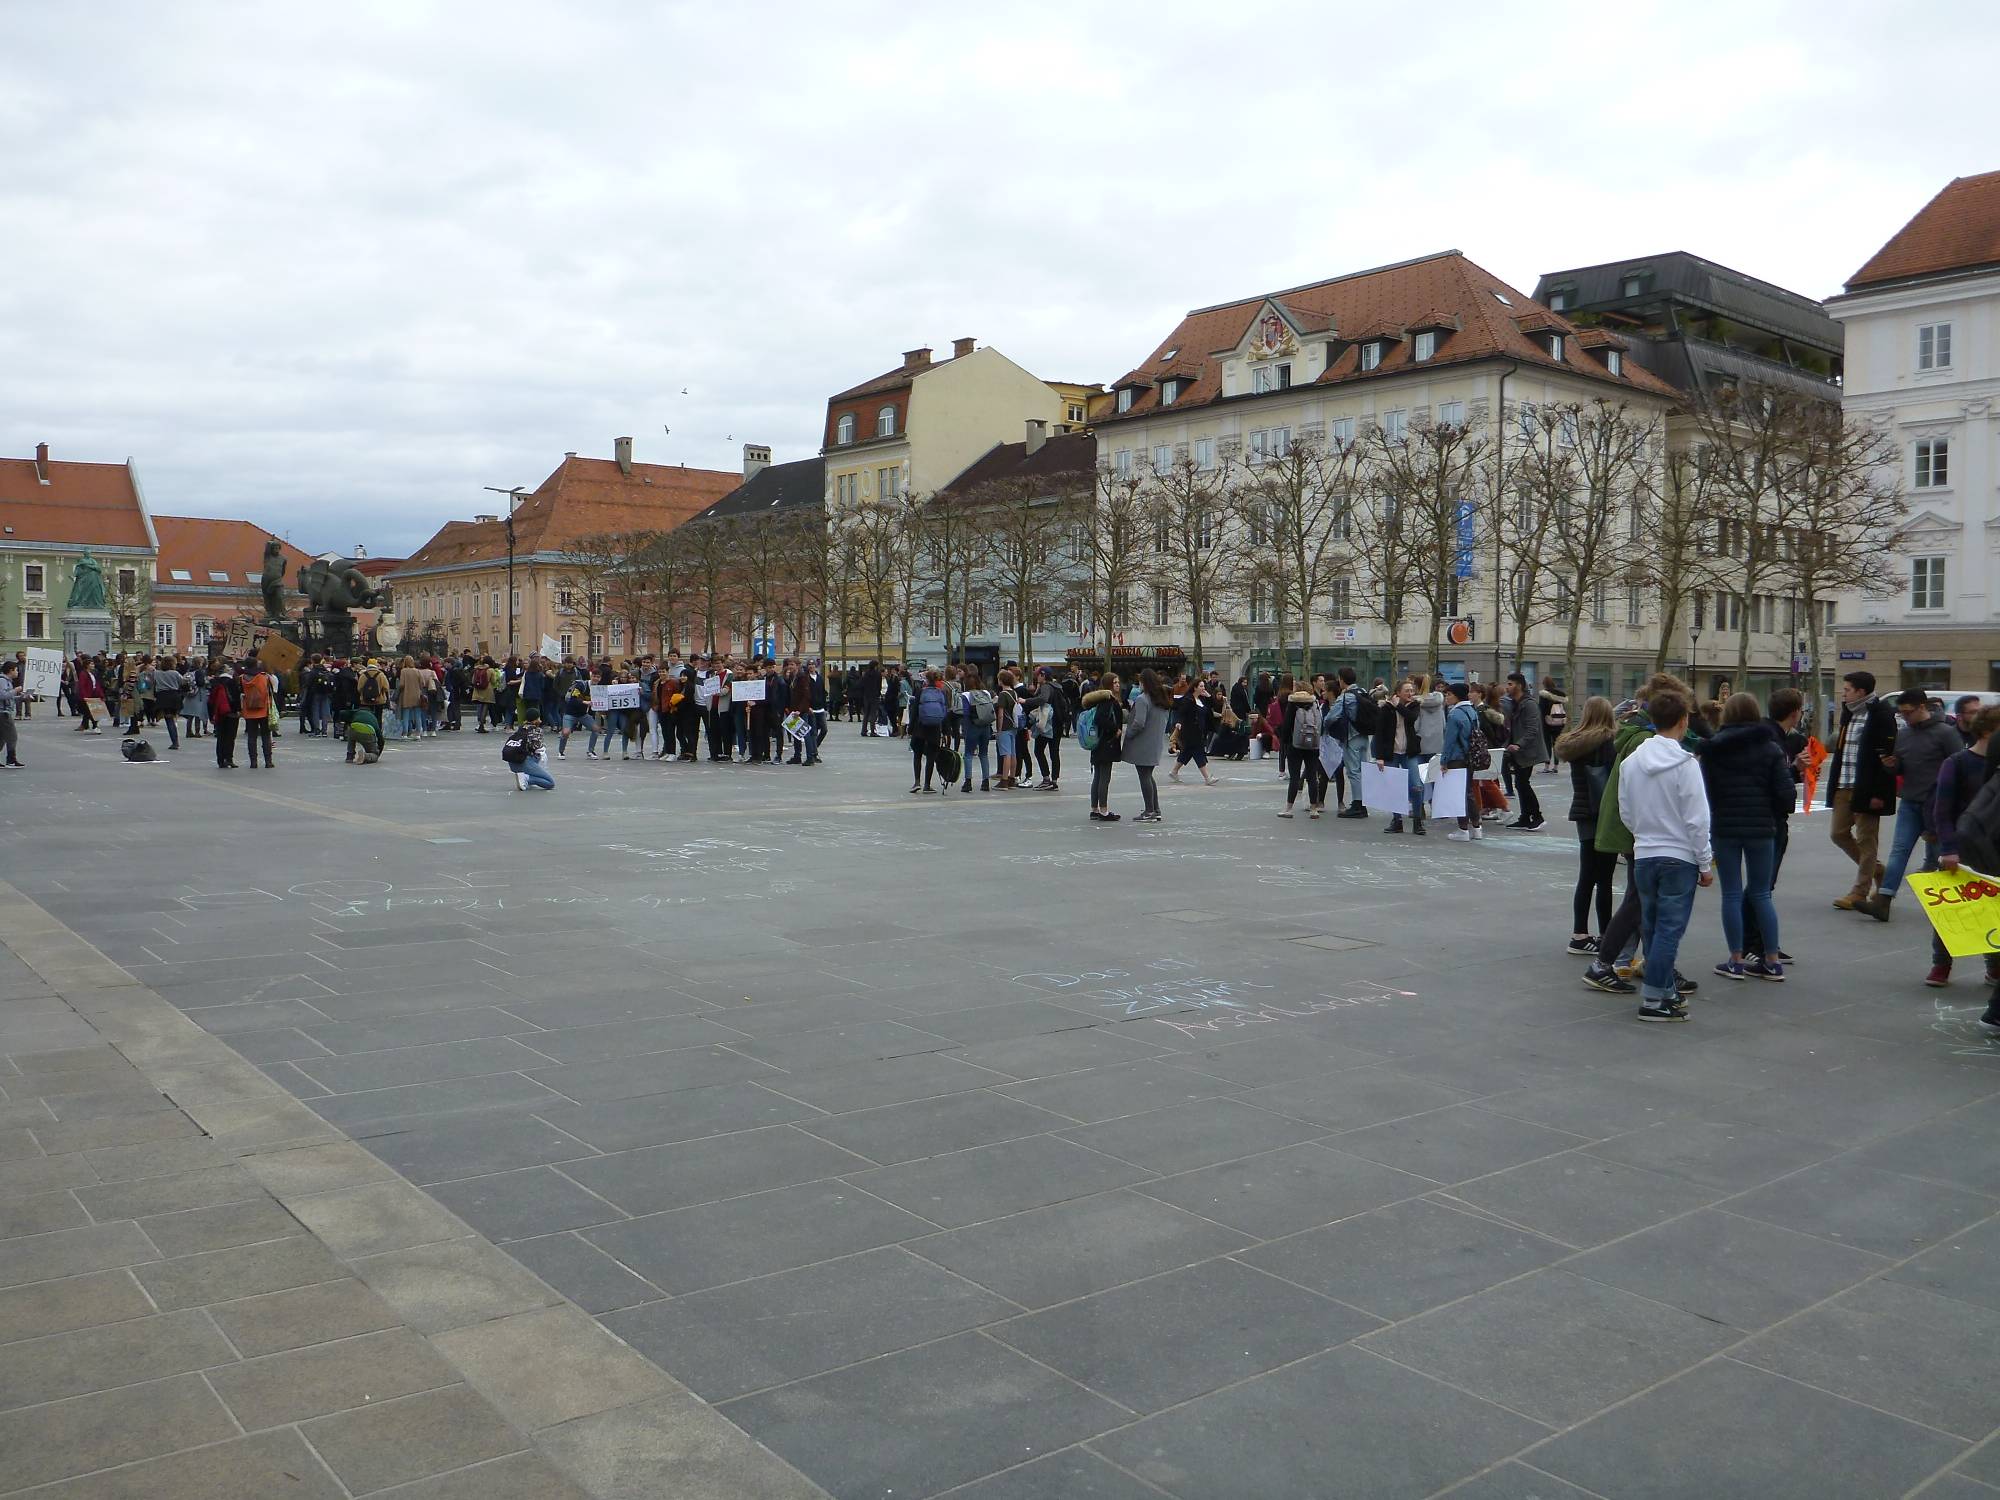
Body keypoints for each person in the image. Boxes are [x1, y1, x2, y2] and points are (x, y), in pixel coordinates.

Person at [1618, 690, 1714, 1021]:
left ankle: (1664, 993)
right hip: (1679, 856)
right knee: (1669, 931)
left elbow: (1625, 811)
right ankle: (1655, 998)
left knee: (1652, 926)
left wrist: (1642, 835)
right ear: (1684, 720)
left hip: (1644, 852)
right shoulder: (1686, 764)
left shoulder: (1632, 763)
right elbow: (1698, 819)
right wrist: (1704, 862)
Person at [1700, 692, 1795, 982]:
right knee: (1761, 893)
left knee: (1730, 893)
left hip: (1724, 827)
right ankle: (1771, 960)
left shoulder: (1713, 749)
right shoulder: (1770, 749)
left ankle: (1736, 960)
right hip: (1761, 827)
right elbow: (1787, 795)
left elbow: (1704, 793)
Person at [1859, 687, 1963, 922]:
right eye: (1902, 713)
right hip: (1911, 801)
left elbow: (1959, 766)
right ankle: (1883, 900)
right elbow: (1900, 768)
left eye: (1908, 712)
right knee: (1899, 850)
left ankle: (1951, 905)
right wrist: (1891, 765)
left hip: (1938, 805)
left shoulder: (1945, 733)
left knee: (1941, 857)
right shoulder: (1904, 734)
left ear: (1922, 707)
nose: (1905, 717)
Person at [1927, 705, 2000, 987]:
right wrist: (1947, 848)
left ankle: (1994, 965)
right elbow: (1942, 810)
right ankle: (1941, 964)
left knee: (1993, 910)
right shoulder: (1957, 763)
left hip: (1993, 848)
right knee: (1952, 908)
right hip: (1961, 845)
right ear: (1986, 731)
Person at [1741, 688, 1806, 969]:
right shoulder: (1773, 740)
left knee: (1760, 885)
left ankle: (1760, 943)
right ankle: (1753, 944)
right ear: (1795, 713)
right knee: (1761, 886)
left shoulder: (1768, 736)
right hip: (1769, 820)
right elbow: (1778, 788)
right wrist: (1793, 773)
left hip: (1758, 817)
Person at [1827, 670, 1897, 911]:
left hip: (1866, 789)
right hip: (1843, 785)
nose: (1843, 694)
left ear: (1861, 691)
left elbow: (1885, 758)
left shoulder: (1882, 715)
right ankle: (1878, 870)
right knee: (1838, 834)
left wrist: (1879, 793)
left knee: (1867, 842)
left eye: (1847, 689)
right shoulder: (1848, 713)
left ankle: (1859, 892)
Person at [1554, 696, 1620, 945]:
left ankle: (1579, 933)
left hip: (1584, 813)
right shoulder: (1609, 743)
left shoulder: (1575, 744)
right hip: (1605, 815)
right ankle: (1606, 934)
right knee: (1605, 879)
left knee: (1586, 877)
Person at [1371, 678, 1426, 835]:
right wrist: (1379, 756)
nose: (1410, 693)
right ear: (1398, 692)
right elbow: (1379, 732)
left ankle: (1417, 821)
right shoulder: (1386, 708)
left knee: (1416, 786)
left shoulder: (1414, 706)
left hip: (1409, 752)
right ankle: (1397, 820)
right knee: (1394, 787)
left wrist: (1399, 705)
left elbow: (1410, 718)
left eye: (1412, 690)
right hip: (1391, 753)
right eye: (1407, 690)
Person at [1439, 680, 1485, 842]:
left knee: (1458, 794)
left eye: (1449, 694)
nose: (1446, 697)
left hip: (1457, 758)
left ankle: (1463, 829)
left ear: (1457, 696)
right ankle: (1476, 827)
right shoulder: (1472, 711)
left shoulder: (1454, 714)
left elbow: (1449, 741)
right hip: (1471, 756)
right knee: (1469, 793)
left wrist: (1444, 761)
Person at [1124, 668, 1170, 823]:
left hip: (1143, 743)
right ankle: (1155, 809)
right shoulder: (1161, 699)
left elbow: (1139, 722)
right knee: (1149, 776)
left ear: (1144, 682)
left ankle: (1149, 810)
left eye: (1140, 682)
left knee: (1144, 776)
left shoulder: (1143, 699)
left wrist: (1128, 734)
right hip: (1155, 742)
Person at [1504, 673, 1547, 829]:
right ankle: (1525, 817)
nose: (1507, 687)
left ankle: (1537, 816)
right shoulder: (1515, 703)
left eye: (1510, 684)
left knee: (1522, 783)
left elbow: (1532, 729)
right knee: (1520, 783)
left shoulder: (1529, 704)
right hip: (1518, 750)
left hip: (1527, 750)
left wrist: (1519, 745)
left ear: (1519, 686)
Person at [1278, 677, 1327, 817]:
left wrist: (1285, 742)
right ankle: (1313, 809)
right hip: (1313, 744)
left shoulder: (1293, 704)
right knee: (1312, 777)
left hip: (1295, 744)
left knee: (1294, 777)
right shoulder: (1315, 702)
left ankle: (1288, 809)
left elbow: (1287, 726)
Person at [1083, 672, 1126, 822]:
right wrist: (1115, 729)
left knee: (1098, 776)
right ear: (1108, 684)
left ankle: (1095, 809)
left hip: (1099, 743)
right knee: (1104, 778)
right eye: (1114, 682)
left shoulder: (1101, 700)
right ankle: (1103, 810)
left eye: (1118, 682)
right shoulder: (1108, 701)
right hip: (1107, 743)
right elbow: (1100, 718)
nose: (1117, 685)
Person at [1169, 674, 1218, 786]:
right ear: (1195, 687)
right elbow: (1181, 712)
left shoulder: (1202, 699)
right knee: (1198, 751)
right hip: (1190, 730)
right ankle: (1207, 777)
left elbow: (1213, 705)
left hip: (1200, 730)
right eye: (1201, 686)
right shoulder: (1188, 699)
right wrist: (1178, 723)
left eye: (1203, 686)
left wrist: (1209, 696)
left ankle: (1174, 771)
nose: (1203, 688)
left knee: (1188, 752)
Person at [910, 669, 948, 793]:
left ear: (926, 680)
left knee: (917, 754)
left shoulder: (920, 691)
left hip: (920, 727)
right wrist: (946, 730)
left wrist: (910, 727)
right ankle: (927, 784)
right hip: (935, 728)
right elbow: (944, 711)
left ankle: (916, 782)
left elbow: (914, 710)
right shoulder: (941, 692)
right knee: (931, 757)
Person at [959, 667, 994, 792]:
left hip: (972, 726)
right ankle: (985, 782)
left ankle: (968, 782)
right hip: (985, 727)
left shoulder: (966, 695)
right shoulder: (986, 693)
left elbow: (965, 712)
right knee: (983, 754)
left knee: (968, 754)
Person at [503, 709, 555, 791]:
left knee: (536, 757)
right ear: (535, 720)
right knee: (550, 783)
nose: (540, 721)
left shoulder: (521, 727)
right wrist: (543, 747)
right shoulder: (536, 730)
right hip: (524, 762)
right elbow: (536, 748)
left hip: (513, 762)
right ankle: (526, 778)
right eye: (538, 718)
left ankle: (525, 776)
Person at [239, 658, 276, 768]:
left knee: (251, 736)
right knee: (266, 736)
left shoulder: (241, 678)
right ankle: (268, 761)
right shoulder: (264, 677)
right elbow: (271, 691)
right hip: (263, 709)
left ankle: (253, 762)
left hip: (249, 710)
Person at [207, 664, 241, 769]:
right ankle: (229, 759)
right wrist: (238, 710)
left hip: (219, 713)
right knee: (230, 737)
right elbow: (236, 698)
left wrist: (211, 715)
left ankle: (220, 760)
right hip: (231, 713)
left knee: (220, 737)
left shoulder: (214, 682)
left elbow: (210, 701)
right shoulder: (232, 682)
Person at [0, 662, 21, 768]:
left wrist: (21, 697)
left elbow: (9, 698)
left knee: (2, 737)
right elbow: (3, 695)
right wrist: (15, 690)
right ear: (10, 670)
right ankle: (11, 760)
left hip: (4, 712)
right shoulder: (3, 680)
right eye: (16, 670)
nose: (17, 672)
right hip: (3, 713)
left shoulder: (7, 681)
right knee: (12, 737)